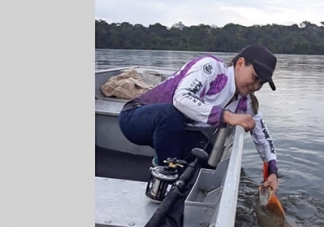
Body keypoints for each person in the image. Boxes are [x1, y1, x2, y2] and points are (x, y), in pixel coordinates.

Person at [118, 45, 280, 193]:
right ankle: (169, 177)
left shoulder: (247, 103)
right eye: (255, 77)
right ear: (240, 64)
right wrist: (227, 116)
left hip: (174, 131)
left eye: (262, 83)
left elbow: (263, 138)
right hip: (136, 117)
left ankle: (179, 177)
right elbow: (181, 98)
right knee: (171, 115)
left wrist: (272, 173)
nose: (256, 85)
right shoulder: (211, 68)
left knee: (206, 156)